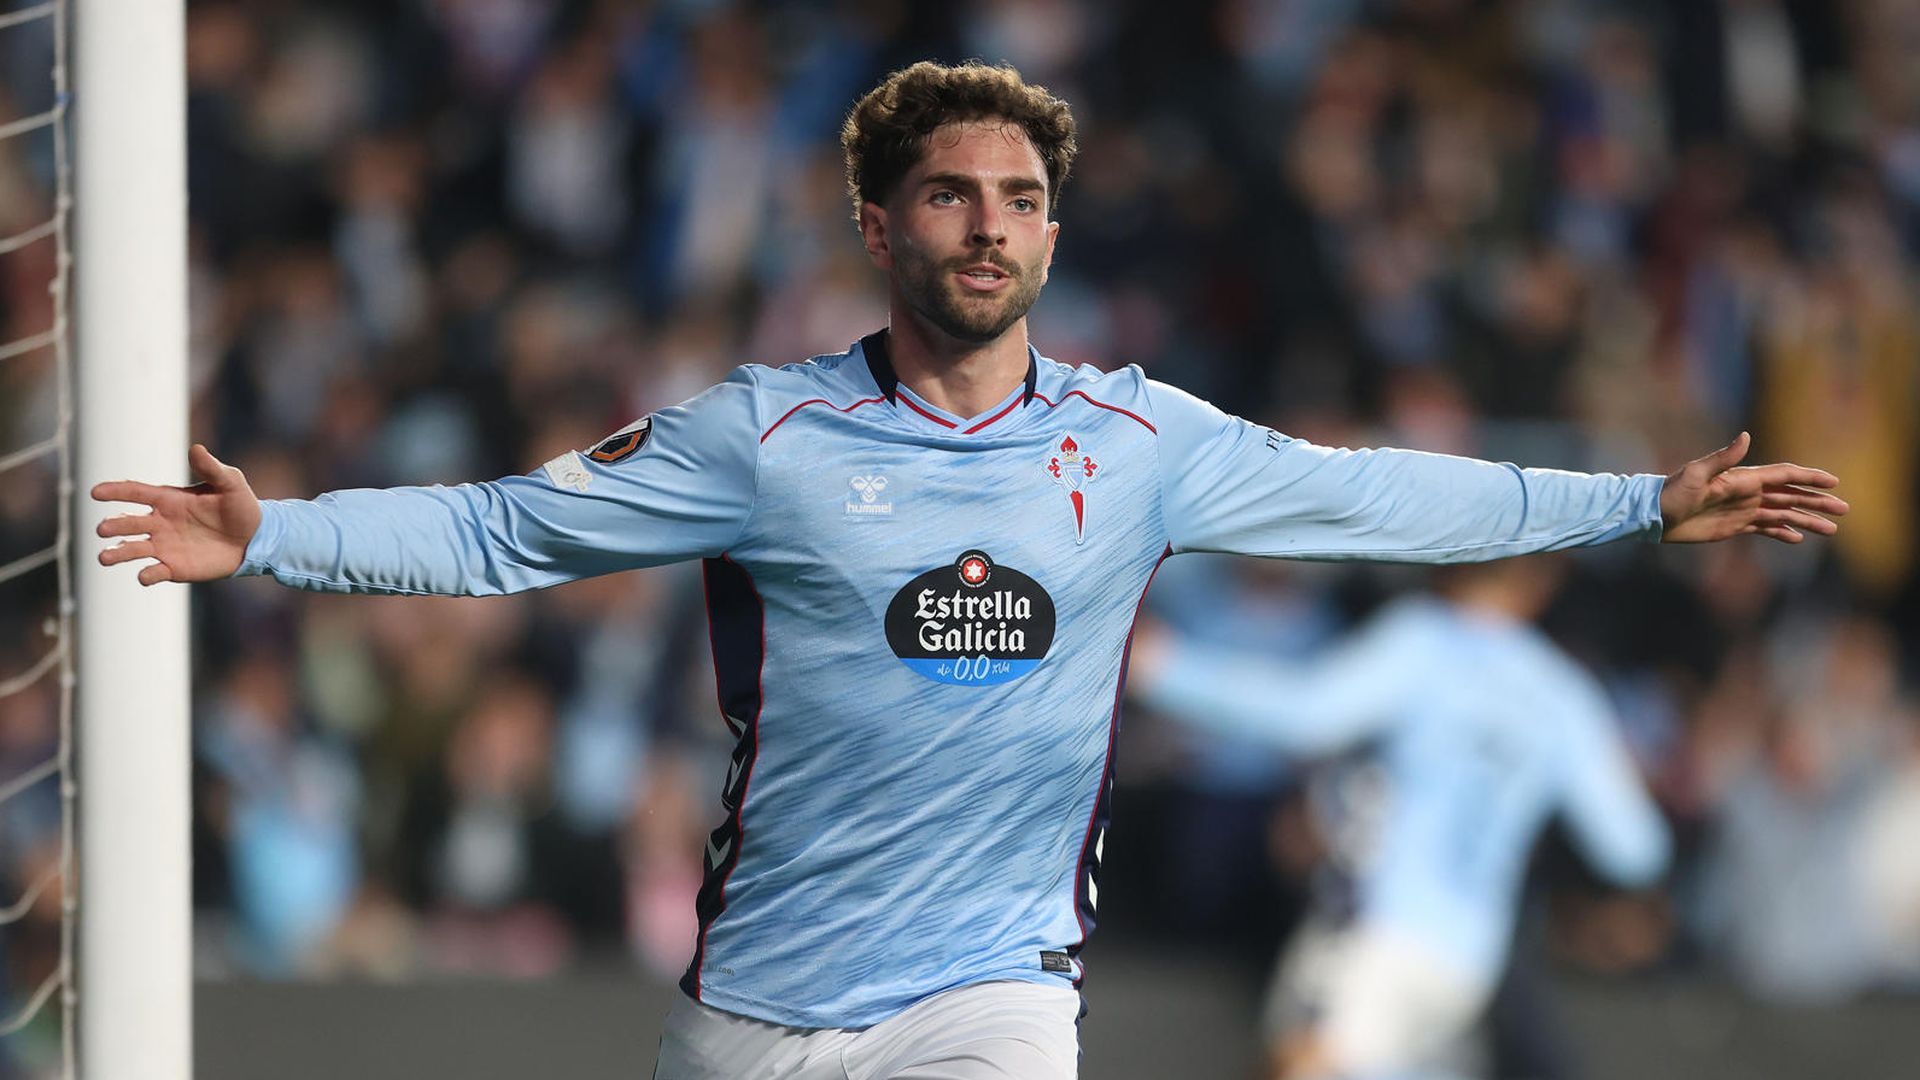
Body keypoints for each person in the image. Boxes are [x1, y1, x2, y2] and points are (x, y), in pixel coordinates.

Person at [91, 61, 1844, 1079]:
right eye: (950, 196)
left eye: (1019, 196)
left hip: (994, 989)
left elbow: (1378, 500)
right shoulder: (758, 438)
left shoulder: (1136, 441)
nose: (990, 223)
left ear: (1055, 233)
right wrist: (274, 537)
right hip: (765, 1004)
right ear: (880, 226)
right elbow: (499, 528)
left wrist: (1633, 503)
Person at [1128, 557, 1671, 1079]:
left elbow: (1306, 715)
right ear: (1541, 582)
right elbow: (1633, 848)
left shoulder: (1424, 643)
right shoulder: (1563, 691)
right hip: (1466, 962)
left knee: (1298, 1068)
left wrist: (1159, 665)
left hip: (1375, 935)